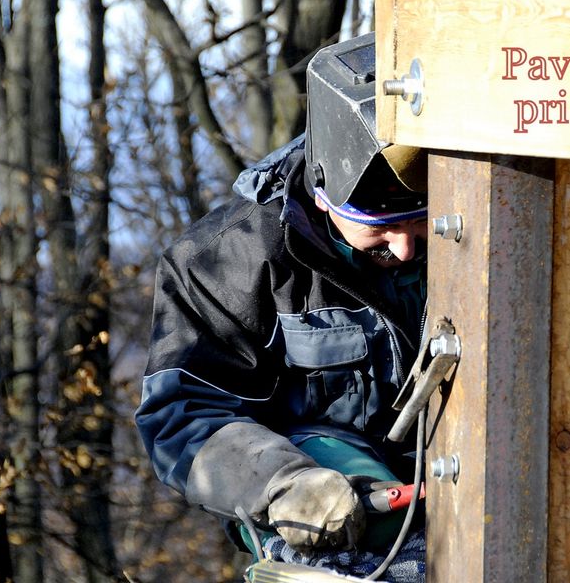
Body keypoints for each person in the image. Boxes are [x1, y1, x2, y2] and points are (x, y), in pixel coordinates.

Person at [134, 33, 428, 561]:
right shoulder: (225, 262)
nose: (406, 249)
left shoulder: (482, 210)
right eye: (380, 227)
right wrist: (282, 484)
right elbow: (181, 413)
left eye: (419, 221)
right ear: (322, 192)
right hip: (318, 499)